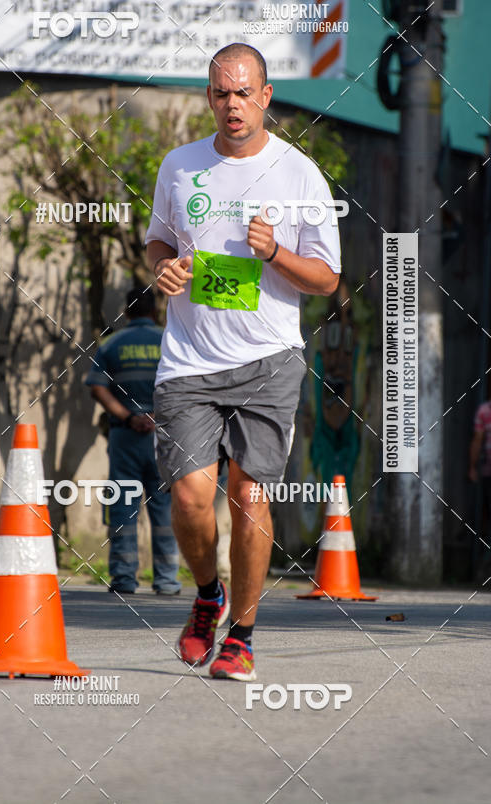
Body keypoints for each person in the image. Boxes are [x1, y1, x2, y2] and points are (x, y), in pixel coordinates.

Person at [145, 42, 341, 680]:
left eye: (244, 93)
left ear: (266, 97)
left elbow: (327, 279)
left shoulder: (300, 175)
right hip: (189, 359)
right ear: (210, 97)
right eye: (222, 93)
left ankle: (243, 637)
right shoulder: (179, 165)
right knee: (188, 497)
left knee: (249, 496)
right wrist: (164, 268)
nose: (233, 105)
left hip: (268, 359)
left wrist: (276, 253)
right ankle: (208, 595)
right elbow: (157, 241)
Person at [85, 288, 182, 596]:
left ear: (126, 312)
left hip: (125, 437)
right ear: (155, 311)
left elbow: (98, 388)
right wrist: (155, 416)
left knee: (123, 506)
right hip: (163, 438)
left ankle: (124, 578)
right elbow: (181, 386)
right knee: (164, 509)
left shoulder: (111, 344)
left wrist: (130, 417)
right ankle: (166, 580)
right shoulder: (171, 340)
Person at [469, 397, 491, 557]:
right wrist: (472, 467)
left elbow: (478, 440)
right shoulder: (484, 411)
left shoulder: (484, 411)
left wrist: (472, 467)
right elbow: (477, 441)